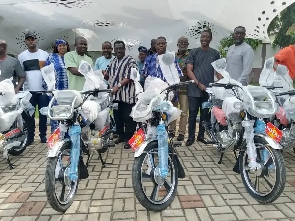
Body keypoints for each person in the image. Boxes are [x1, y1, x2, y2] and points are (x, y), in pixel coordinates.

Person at [186, 30, 221, 146]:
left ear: (210, 39)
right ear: (200, 38)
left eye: (207, 37)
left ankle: (201, 136)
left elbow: (217, 71)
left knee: (205, 114)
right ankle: (190, 137)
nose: (204, 39)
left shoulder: (215, 53)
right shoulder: (194, 52)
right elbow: (189, 70)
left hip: (208, 89)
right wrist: (198, 83)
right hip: (194, 89)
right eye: (202, 37)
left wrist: (223, 82)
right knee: (192, 114)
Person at [104, 40, 138, 149]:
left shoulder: (130, 60)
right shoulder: (113, 61)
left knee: (128, 118)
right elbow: (108, 74)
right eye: (117, 48)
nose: (119, 50)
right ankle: (121, 135)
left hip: (127, 95)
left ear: (124, 49)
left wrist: (117, 86)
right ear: (114, 50)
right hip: (116, 96)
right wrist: (104, 74)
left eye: (121, 48)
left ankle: (129, 138)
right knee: (118, 117)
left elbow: (130, 77)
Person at [18, 32, 49, 144]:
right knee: (29, 115)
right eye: (28, 39)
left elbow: (49, 72)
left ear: (36, 40)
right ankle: (30, 137)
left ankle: (43, 136)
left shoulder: (44, 54)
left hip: (43, 91)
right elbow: (20, 74)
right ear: (25, 42)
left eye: (33, 39)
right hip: (28, 91)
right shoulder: (21, 56)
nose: (31, 41)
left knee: (43, 115)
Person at [44, 39, 70, 133]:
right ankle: (55, 135)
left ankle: (66, 135)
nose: (62, 47)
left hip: (68, 90)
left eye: (64, 45)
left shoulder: (70, 57)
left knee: (67, 112)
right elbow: (46, 73)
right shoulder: (51, 57)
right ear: (56, 47)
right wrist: (48, 87)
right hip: (55, 90)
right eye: (60, 46)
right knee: (55, 112)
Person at [169, 36, 190, 141]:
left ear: (188, 44)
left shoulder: (190, 56)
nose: (183, 44)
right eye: (180, 42)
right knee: (173, 110)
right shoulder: (172, 56)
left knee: (184, 111)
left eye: (185, 42)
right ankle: (171, 131)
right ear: (177, 44)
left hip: (185, 88)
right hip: (174, 88)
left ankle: (181, 133)